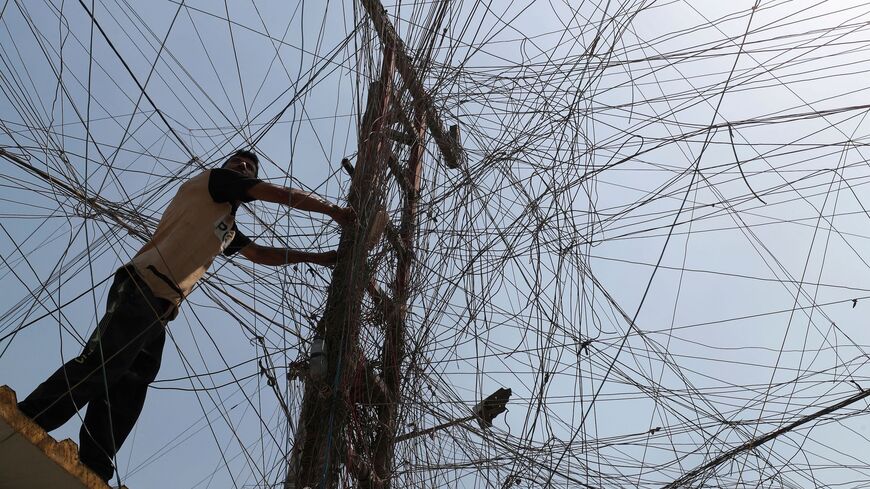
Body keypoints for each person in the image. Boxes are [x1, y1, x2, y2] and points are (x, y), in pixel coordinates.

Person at [16, 150, 354, 481]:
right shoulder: (215, 182)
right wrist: (334, 211)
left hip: (160, 310)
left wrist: (317, 258)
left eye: (249, 166)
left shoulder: (225, 225)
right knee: (104, 364)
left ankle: (95, 463)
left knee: (128, 388)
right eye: (238, 162)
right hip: (142, 285)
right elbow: (278, 193)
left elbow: (259, 254)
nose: (242, 166)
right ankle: (31, 417)